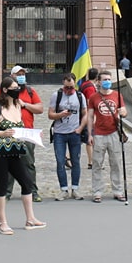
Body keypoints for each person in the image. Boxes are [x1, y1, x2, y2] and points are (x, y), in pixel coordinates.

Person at [0, 77, 46, 235]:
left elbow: (20, 128)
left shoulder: (18, 105)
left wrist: (33, 135)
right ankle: (2, 223)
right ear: (5, 90)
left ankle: (30, 218)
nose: (17, 90)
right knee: (2, 185)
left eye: (18, 87)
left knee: (26, 182)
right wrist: (1, 133)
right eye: (14, 88)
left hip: (15, 150)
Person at [0, 65, 43, 202]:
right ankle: (6, 192)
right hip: (9, 133)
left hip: (27, 133)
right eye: (18, 74)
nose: (21, 76)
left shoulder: (30, 91)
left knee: (28, 164)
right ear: (12, 76)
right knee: (9, 164)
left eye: (23, 74)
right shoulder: (2, 93)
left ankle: (32, 191)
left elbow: (40, 109)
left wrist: (25, 105)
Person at [87, 71, 127, 203]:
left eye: (109, 79)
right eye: (104, 79)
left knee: (115, 163)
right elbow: (90, 116)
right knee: (97, 164)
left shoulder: (117, 95)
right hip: (99, 134)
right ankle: (97, 191)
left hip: (114, 133)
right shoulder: (94, 97)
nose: (107, 81)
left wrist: (123, 112)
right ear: (98, 81)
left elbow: (124, 111)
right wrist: (89, 134)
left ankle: (118, 190)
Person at [48, 72, 89, 201]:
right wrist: (61, 115)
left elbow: (85, 113)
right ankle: (64, 189)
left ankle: (75, 189)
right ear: (63, 84)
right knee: (60, 161)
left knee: (75, 161)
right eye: (67, 87)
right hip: (60, 134)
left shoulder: (80, 96)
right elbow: (50, 115)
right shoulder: (57, 95)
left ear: (75, 84)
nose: (69, 90)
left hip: (74, 133)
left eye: (71, 87)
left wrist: (81, 128)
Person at [79, 67, 99, 169]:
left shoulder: (84, 84)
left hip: (83, 114)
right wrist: (93, 116)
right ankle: (91, 162)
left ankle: (68, 157)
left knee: (81, 137)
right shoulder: (90, 87)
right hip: (87, 115)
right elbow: (90, 101)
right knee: (89, 138)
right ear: (97, 77)